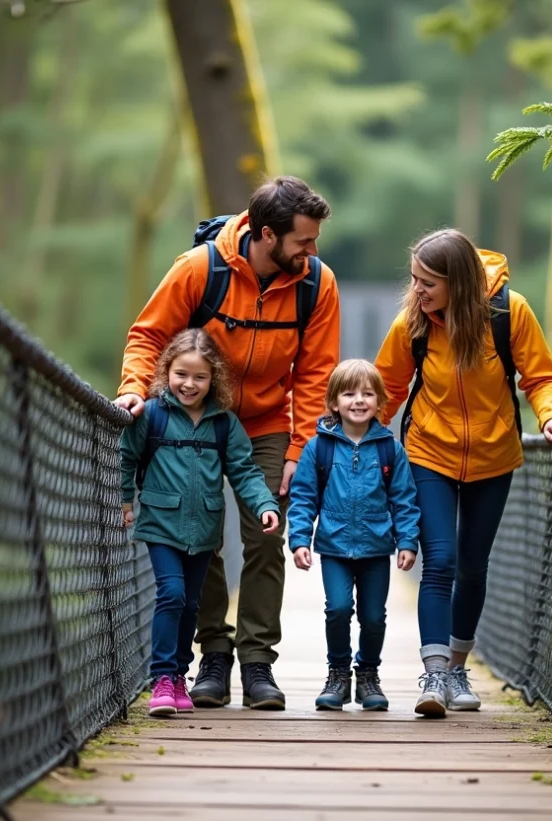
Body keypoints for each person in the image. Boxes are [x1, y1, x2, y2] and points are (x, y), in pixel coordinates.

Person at [115, 176, 340, 710]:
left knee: (266, 536)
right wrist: (132, 392)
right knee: (200, 533)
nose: (312, 251)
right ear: (266, 236)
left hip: (264, 424)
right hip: (194, 420)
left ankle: (258, 663)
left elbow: (316, 372)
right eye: (303, 242)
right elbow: (148, 335)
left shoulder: (316, 283)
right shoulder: (200, 269)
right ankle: (213, 654)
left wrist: (299, 450)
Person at [375, 228, 552, 718]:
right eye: (415, 279)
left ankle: (458, 668)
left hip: (493, 454)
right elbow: (387, 388)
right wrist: (356, 446)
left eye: (428, 283)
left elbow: (541, 376)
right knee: (438, 559)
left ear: (458, 283)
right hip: (428, 452)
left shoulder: (510, 313)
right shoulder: (413, 323)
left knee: (472, 565)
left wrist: (551, 414)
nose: (417, 290)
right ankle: (435, 672)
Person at [120, 329, 280, 717]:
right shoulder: (152, 414)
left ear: (214, 379)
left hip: (204, 529)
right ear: (166, 371)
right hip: (161, 522)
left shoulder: (223, 424)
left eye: (199, 377)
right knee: (171, 594)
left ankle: (178, 676)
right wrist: (126, 500)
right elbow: (127, 456)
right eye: (181, 374)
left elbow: (244, 470)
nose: (189, 384)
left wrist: (264, 505)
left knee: (191, 604)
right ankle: (161, 678)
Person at [286, 359, 421, 712]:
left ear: (379, 402)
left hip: (377, 547)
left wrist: (407, 541)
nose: (358, 400)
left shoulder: (390, 450)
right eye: (349, 393)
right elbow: (303, 497)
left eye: (367, 393)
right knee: (339, 609)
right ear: (334, 402)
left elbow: (404, 499)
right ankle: (338, 674)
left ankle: (368, 675)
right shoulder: (320, 448)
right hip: (334, 546)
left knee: (374, 616)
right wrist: (299, 539)